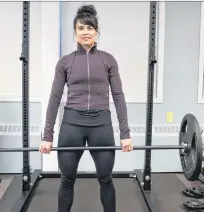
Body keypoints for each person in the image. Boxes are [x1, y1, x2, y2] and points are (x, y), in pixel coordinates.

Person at [39, 4, 133, 212]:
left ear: (96, 31)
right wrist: (47, 136)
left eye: (89, 28)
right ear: (75, 33)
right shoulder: (65, 62)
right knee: (66, 180)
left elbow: (118, 96)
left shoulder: (108, 60)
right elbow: (54, 98)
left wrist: (125, 133)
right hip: (72, 124)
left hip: (101, 125)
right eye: (81, 28)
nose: (85, 32)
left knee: (106, 179)